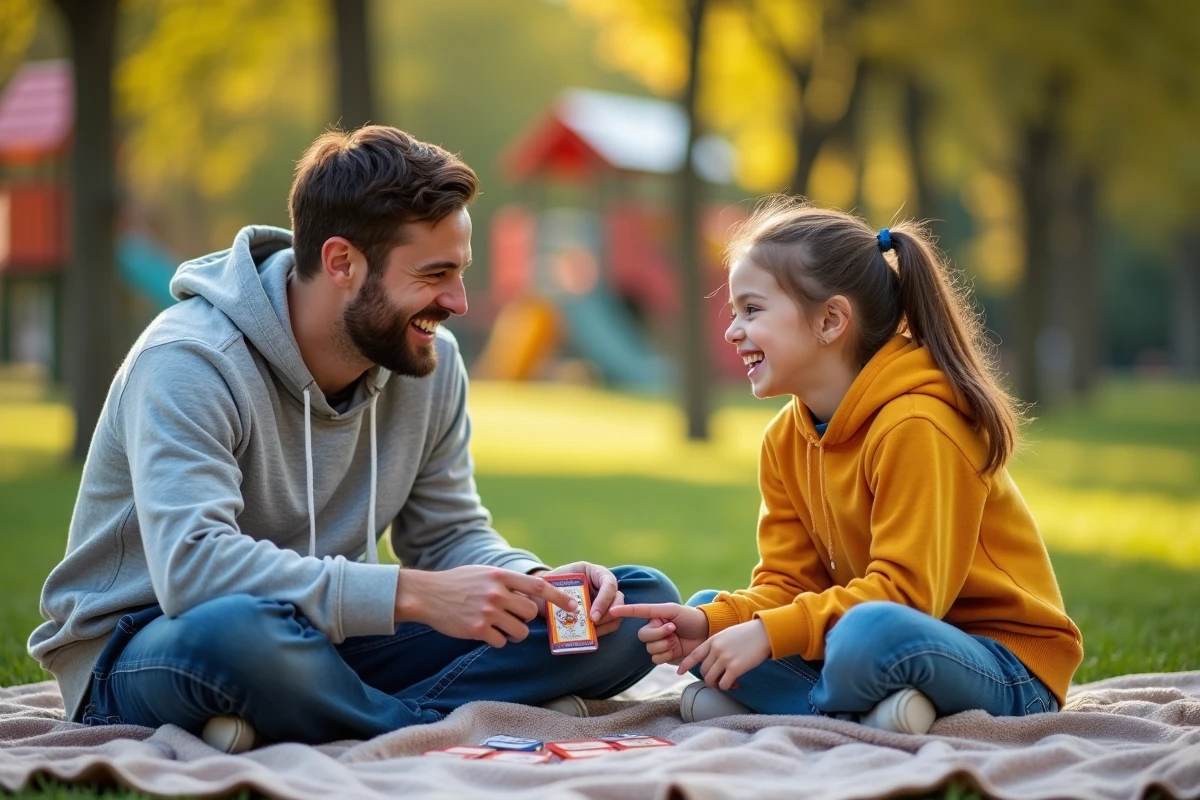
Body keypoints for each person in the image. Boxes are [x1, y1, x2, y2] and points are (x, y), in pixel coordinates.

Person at [28, 125, 678, 752]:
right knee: (243, 634)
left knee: (632, 607)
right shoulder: (189, 361)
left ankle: (327, 713)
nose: (459, 302)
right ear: (342, 261)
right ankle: (445, 721)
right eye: (433, 275)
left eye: (460, 272)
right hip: (151, 643)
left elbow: (449, 534)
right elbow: (195, 571)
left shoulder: (429, 361)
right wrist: (410, 594)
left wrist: (534, 582)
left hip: (335, 637)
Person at [613, 198, 1082, 734]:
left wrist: (768, 634)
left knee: (869, 633)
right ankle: (873, 713)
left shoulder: (917, 425)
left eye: (753, 310)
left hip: (1005, 666)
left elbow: (907, 598)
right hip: (872, 644)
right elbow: (787, 583)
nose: (732, 331)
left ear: (831, 320)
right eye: (734, 313)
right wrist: (712, 624)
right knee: (708, 614)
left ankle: (810, 708)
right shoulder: (785, 439)